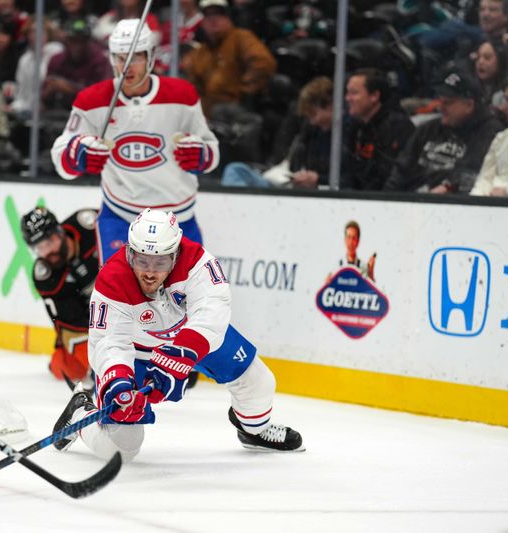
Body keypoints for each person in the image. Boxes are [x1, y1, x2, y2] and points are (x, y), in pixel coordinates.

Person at [52, 208, 304, 463]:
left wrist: (180, 354)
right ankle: (81, 415)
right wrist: (118, 382)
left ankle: (254, 431)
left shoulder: (197, 261)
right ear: (130, 252)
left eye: (160, 262)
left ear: (175, 254)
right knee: (122, 449)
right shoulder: (112, 279)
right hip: (138, 351)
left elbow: (212, 312)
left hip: (192, 335)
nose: (150, 272)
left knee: (258, 382)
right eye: (142, 260)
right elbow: (108, 342)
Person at [50, 19, 219, 265]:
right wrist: (77, 155)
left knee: (189, 299)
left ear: (150, 57)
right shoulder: (92, 101)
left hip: (178, 216)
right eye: (120, 57)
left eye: (135, 57)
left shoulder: (182, 95)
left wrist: (202, 155)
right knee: (119, 299)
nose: (126, 65)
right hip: (121, 216)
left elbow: (211, 150)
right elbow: (61, 156)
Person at [384, 69, 505, 193]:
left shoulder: (490, 132)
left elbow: (470, 174)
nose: (440, 107)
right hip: (411, 201)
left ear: (469, 105)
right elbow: (401, 170)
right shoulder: (428, 129)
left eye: (447, 103)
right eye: (440, 101)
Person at [20, 207, 98, 384]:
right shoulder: (48, 277)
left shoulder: (87, 226)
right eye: (40, 247)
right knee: (69, 368)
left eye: (49, 241)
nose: (48, 251)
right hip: (93, 323)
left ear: (60, 231)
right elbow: (73, 326)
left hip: (128, 300)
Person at [221, 76, 336, 189]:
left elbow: (347, 179)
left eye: (314, 114)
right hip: (288, 182)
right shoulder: (311, 130)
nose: (312, 121)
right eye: (309, 116)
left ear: (331, 106)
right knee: (235, 169)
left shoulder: (343, 136)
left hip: (309, 193)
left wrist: (319, 179)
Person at [184, 0, 276, 117]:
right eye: (208, 15)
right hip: (208, 110)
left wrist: (244, 93)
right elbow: (193, 84)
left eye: (219, 14)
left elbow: (263, 63)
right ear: (202, 22)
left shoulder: (241, 37)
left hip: (236, 106)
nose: (213, 19)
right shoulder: (200, 52)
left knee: (221, 111)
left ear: (228, 18)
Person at [342, 68, 414, 191]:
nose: (347, 98)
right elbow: (348, 172)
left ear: (374, 96)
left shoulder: (397, 126)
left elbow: (389, 178)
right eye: (347, 93)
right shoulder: (357, 125)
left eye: (354, 93)